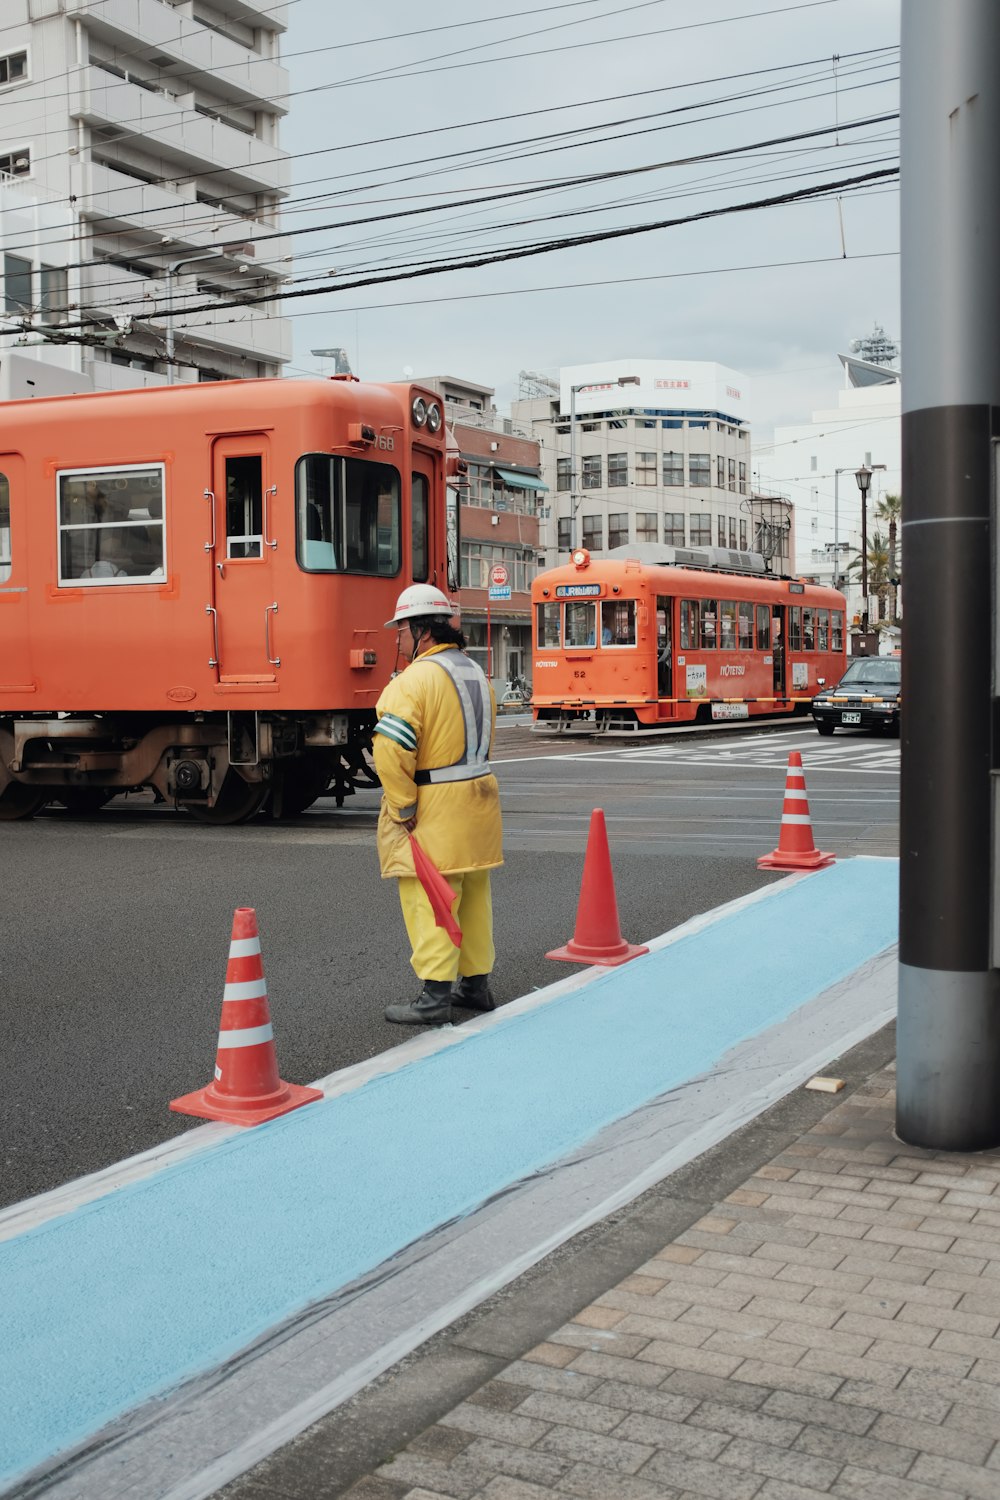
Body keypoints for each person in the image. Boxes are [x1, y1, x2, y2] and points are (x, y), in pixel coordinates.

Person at [373, 583, 503, 1026]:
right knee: (473, 897)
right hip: (478, 800)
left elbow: (391, 750)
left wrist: (403, 805)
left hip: (435, 807)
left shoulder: (414, 681)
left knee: (430, 897)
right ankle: (475, 986)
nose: (397, 639)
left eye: (401, 629)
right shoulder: (474, 672)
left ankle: (433, 996)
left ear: (422, 632)